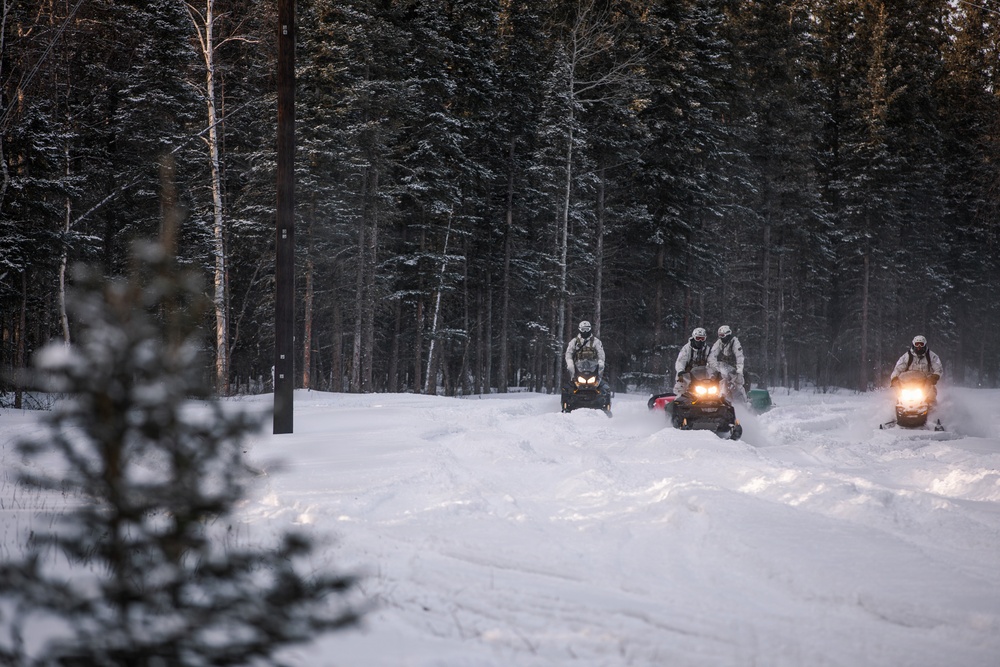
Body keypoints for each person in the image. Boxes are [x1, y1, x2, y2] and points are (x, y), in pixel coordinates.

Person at [708, 324, 746, 401]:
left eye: (722, 335)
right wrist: (714, 366)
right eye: (719, 335)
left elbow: (739, 357)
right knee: (713, 377)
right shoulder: (719, 342)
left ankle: (744, 401)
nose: (721, 337)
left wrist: (739, 370)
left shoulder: (735, 342)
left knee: (738, 383)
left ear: (727, 334)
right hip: (723, 366)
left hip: (734, 367)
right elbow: (712, 354)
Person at [673, 327, 710, 394]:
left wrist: (717, 372)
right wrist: (680, 370)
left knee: (715, 389)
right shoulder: (686, 348)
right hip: (686, 375)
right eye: (698, 338)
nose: (700, 341)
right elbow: (681, 361)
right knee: (680, 388)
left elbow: (712, 361)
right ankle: (679, 396)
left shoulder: (708, 350)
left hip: (702, 377)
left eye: (702, 338)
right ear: (694, 337)